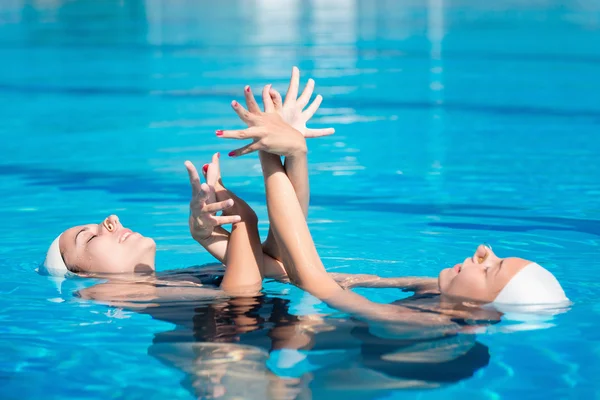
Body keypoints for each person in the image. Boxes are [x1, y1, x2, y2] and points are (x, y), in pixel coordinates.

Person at [215, 83, 571, 337]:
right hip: (291, 334)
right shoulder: (435, 290)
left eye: (491, 270)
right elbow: (298, 271)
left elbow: (314, 281)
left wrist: (273, 148)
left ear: (481, 313)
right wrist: (289, 151)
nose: (485, 251)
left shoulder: (423, 323)